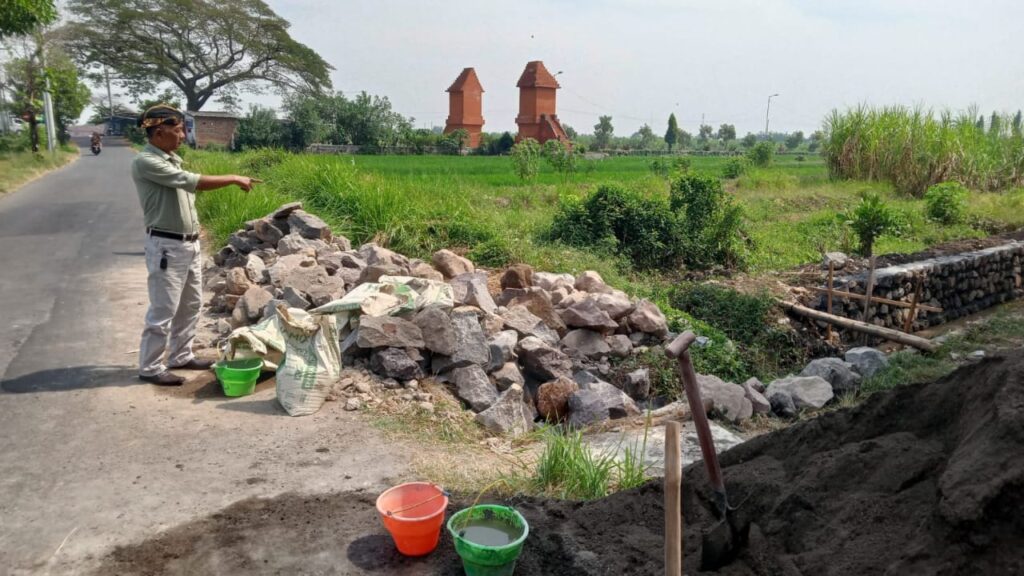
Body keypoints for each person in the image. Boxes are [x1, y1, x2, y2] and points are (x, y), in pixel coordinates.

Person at [132, 104, 258, 385]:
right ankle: (150, 367)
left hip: (187, 245)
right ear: (159, 131)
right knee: (164, 308)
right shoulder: (146, 161)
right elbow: (194, 183)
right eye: (178, 130)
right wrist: (234, 178)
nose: (182, 135)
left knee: (191, 304)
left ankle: (181, 355)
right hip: (167, 246)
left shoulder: (170, 159)